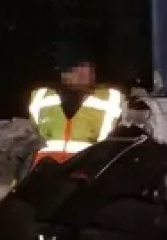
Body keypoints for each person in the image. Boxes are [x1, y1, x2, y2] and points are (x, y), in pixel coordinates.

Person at [27, 34, 124, 165]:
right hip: (46, 174)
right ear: (63, 71)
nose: (85, 72)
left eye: (88, 66)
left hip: (88, 173)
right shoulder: (41, 97)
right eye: (76, 67)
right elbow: (30, 141)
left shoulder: (112, 99)